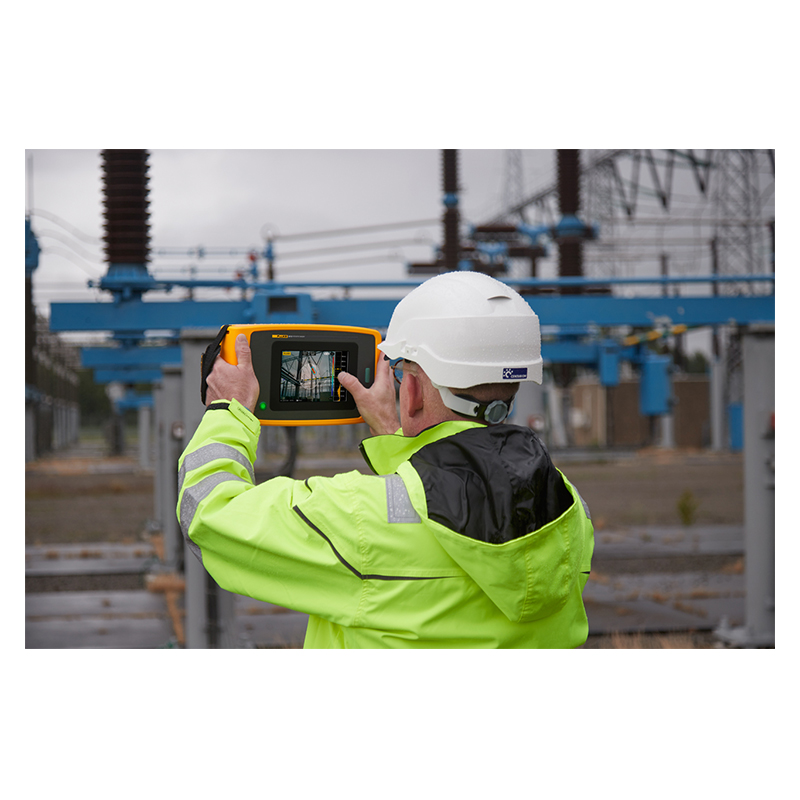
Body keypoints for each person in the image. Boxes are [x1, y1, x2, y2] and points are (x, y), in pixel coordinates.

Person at [177, 271, 594, 648]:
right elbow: (455, 494)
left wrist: (228, 412)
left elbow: (209, 514)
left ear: (409, 392)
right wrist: (393, 435)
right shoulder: (568, 509)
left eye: (399, 374)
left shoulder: (358, 519)